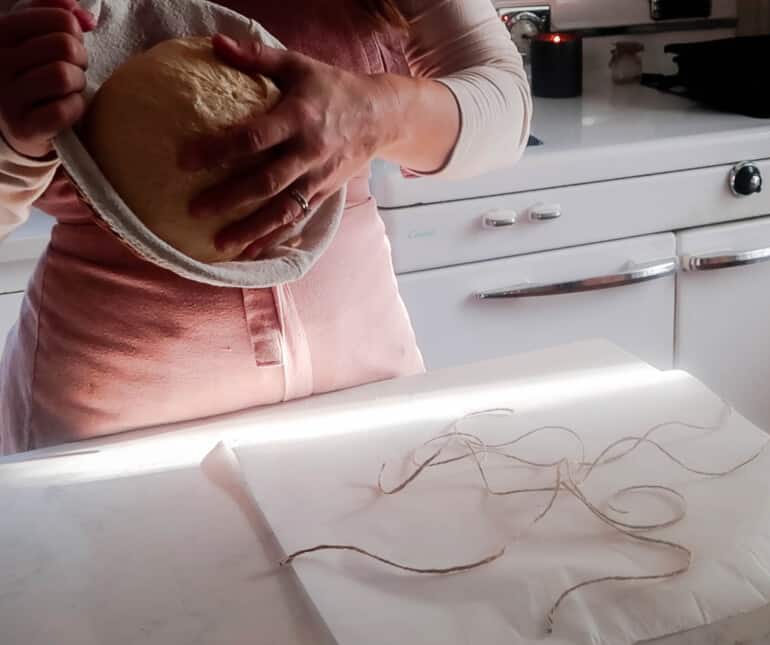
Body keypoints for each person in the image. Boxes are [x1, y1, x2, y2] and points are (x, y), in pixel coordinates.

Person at [0, 0, 531, 453]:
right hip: (118, 423)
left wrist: (378, 113)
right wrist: (12, 142)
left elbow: (506, 111)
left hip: (366, 385)